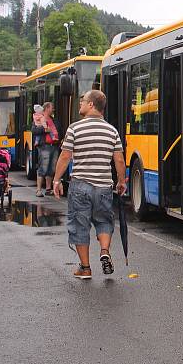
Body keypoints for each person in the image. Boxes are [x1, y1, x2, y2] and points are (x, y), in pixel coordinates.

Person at [53, 90, 126, 279]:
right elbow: (118, 159)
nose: (80, 104)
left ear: (92, 104)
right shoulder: (112, 131)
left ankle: (85, 268)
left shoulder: (74, 128)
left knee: (79, 225)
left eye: (83, 101)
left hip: (80, 186)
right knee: (104, 221)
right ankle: (104, 251)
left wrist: (56, 179)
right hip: (103, 187)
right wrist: (121, 181)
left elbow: (65, 156)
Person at [36, 102, 59, 197]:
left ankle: (48, 189)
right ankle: (38, 190)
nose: (53, 109)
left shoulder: (53, 120)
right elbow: (34, 130)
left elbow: (58, 130)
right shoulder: (39, 119)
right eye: (51, 108)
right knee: (43, 167)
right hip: (45, 146)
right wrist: (45, 130)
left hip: (54, 145)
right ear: (46, 109)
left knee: (51, 168)